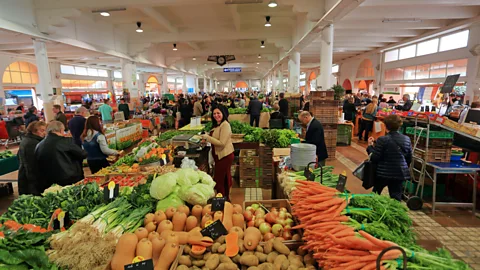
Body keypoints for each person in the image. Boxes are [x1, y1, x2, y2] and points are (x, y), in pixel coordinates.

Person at [367, 115, 412, 201]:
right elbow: (409, 158)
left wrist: (370, 147)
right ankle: (396, 212)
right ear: (400, 126)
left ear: (386, 126)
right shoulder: (407, 139)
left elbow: (375, 158)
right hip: (399, 173)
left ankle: (373, 211)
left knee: (375, 195)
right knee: (396, 198)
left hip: (383, 173)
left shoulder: (382, 140)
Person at [35, 121, 87, 192]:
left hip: (48, 180)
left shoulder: (39, 145)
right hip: (69, 177)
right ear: (61, 130)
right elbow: (83, 154)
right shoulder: (66, 141)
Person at [201, 107, 235, 200]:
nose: (216, 115)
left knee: (219, 179)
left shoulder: (225, 125)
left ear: (223, 113)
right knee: (224, 178)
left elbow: (222, 143)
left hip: (224, 155)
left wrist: (208, 138)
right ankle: (226, 198)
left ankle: (221, 199)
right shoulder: (218, 124)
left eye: (218, 113)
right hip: (219, 155)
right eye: (214, 113)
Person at [17, 121, 47, 195]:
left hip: (25, 177)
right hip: (31, 181)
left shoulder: (27, 140)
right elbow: (31, 165)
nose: (44, 133)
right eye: (42, 130)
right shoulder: (32, 143)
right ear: (34, 131)